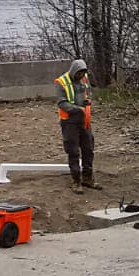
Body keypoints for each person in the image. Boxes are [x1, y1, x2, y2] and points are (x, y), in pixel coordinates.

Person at [54, 59, 96, 191]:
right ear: (74, 71)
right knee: (73, 151)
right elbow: (62, 103)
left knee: (88, 148)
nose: (81, 75)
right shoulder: (62, 82)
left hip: (84, 120)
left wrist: (88, 101)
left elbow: (89, 92)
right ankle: (76, 180)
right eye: (79, 73)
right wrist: (78, 109)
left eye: (83, 73)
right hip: (69, 121)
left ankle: (88, 178)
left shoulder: (84, 79)